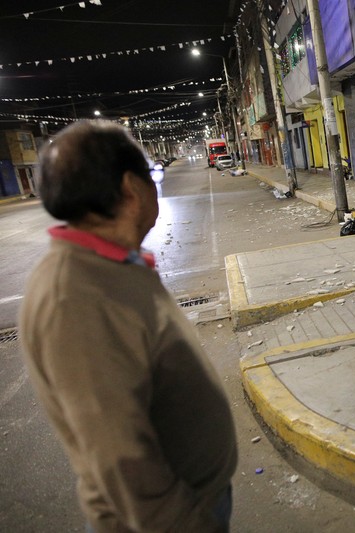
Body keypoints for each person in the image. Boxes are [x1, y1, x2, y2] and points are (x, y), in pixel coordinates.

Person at [19, 120, 237, 532]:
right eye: (150, 176)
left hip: (194, 498)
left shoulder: (108, 264)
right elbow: (120, 456)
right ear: (131, 189)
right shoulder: (75, 298)